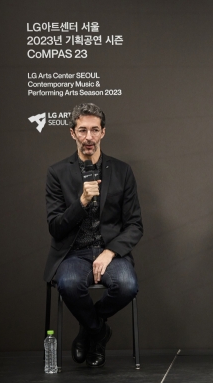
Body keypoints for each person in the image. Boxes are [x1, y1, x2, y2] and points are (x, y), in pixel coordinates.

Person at [43, 103, 142, 367]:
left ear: (103, 133)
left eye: (94, 130)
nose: (89, 137)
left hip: (110, 251)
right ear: (72, 133)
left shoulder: (122, 171)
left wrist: (110, 253)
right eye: (83, 130)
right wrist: (82, 202)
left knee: (127, 286)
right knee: (68, 285)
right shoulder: (57, 173)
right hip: (74, 252)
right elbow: (55, 227)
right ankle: (99, 332)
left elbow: (134, 224)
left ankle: (87, 331)